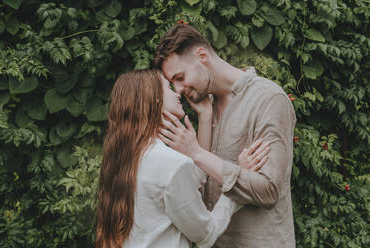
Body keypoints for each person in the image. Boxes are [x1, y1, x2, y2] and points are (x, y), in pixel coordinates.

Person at [155, 24, 297, 247]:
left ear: (202, 56)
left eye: (180, 77)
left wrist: (195, 152)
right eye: (172, 83)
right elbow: (200, 191)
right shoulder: (205, 107)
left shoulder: (268, 99)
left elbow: (269, 190)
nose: (178, 89)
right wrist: (204, 117)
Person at [95, 69, 270, 248]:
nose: (177, 93)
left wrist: (205, 116)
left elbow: (190, 185)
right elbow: (206, 233)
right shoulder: (170, 163)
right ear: (155, 99)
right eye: (168, 88)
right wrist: (236, 183)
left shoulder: (125, 157)